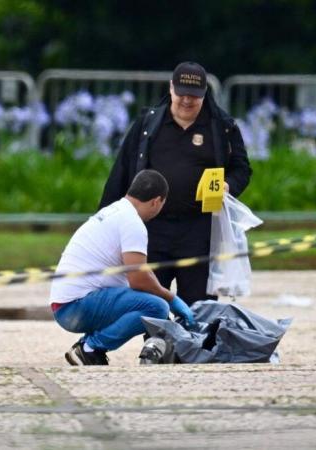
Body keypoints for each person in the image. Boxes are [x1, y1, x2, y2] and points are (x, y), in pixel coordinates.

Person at [99, 61, 252, 304]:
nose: (187, 101)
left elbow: (242, 168)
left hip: (200, 229)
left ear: (204, 95)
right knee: (150, 299)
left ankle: (197, 343)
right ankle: (156, 342)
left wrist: (228, 185)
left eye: (194, 95)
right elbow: (122, 171)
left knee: (200, 303)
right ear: (171, 88)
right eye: (181, 93)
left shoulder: (222, 126)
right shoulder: (147, 124)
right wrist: (104, 220)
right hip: (151, 227)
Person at [50, 170, 196, 366]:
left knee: (151, 301)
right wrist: (170, 298)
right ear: (156, 201)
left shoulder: (116, 211)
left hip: (65, 304)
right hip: (75, 307)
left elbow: (140, 269)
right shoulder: (132, 223)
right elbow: (138, 279)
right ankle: (90, 348)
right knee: (156, 307)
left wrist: (164, 294)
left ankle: (87, 346)